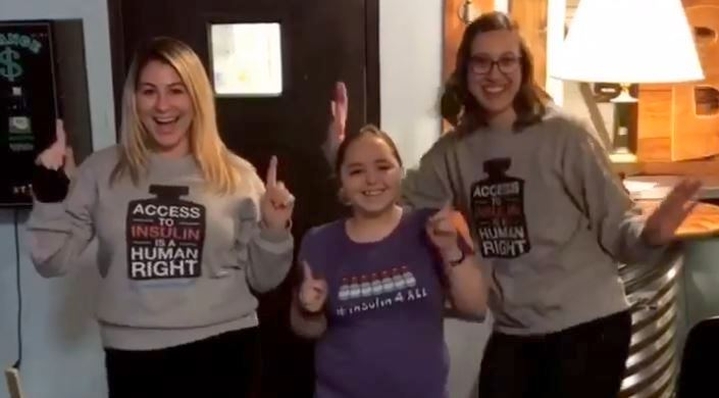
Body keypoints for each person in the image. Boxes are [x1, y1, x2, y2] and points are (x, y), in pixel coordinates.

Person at [398, 11, 702, 398]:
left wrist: (652, 234)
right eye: (482, 61)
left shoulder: (565, 135)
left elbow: (620, 230)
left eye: (507, 60)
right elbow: (393, 203)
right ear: (465, 70)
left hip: (589, 326)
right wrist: (337, 155)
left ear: (523, 68)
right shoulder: (454, 151)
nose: (495, 74)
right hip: (514, 329)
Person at [27, 37, 295, 398]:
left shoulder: (236, 175)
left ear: (196, 97)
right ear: (133, 99)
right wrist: (49, 191)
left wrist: (275, 230)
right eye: (149, 91)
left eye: (176, 90)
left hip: (225, 349)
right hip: (134, 356)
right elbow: (51, 261)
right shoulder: (102, 171)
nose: (163, 105)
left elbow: (263, 280)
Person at [290, 125, 487, 398]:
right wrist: (308, 308)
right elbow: (306, 329)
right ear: (342, 182)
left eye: (383, 166)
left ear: (400, 172)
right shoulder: (319, 241)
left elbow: (476, 308)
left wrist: (451, 249)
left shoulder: (432, 226)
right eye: (357, 171)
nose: (372, 179)